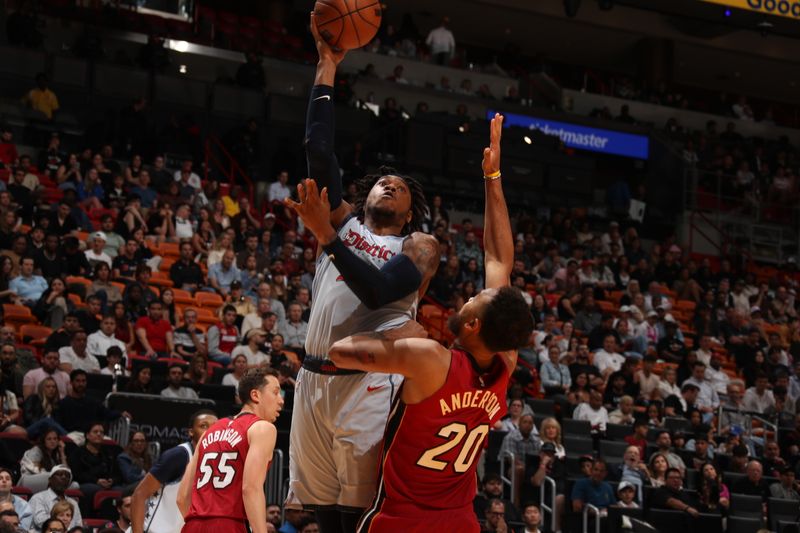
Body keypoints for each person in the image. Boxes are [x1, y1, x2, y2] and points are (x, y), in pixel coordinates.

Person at [327, 114, 533, 532]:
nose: (470, 295)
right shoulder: (504, 364)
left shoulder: (429, 360)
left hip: (401, 519)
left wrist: (393, 333)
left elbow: (336, 353)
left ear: (473, 325)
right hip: (459, 521)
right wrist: (492, 176)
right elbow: (498, 260)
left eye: (475, 300)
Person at [285, 14, 441, 532]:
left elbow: (381, 292)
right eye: (382, 182)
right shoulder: (345, 221)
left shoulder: (417, 245)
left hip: (368, 388)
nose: (390, 185)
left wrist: (327, 239)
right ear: (366, 193)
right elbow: (319, 151)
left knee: (358, 516)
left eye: (400, 186)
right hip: (311, 378)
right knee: (322, 512)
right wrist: (326, 67)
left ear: (411, 211)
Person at [177, 368, 284, 533]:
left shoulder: (209, 432)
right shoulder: (263, 428)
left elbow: (182, 497)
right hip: (230, 524)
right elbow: (251, 489)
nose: (281, 400)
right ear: (256, 395)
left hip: (193, 524)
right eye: (276, 393)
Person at [131, 409, 218, 533]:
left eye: (215, 427)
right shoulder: (179, 455)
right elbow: (138, 495)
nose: (210, 431)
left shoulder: (218, 460)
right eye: (203, 426)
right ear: (191, 432)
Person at [28, 465, 82, 531]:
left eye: (67, 476)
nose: (63, 477)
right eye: (59, 474)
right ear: (50, 479)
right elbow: (41, 522)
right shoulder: (38, 498)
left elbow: (78, 526)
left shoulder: (73, 503)